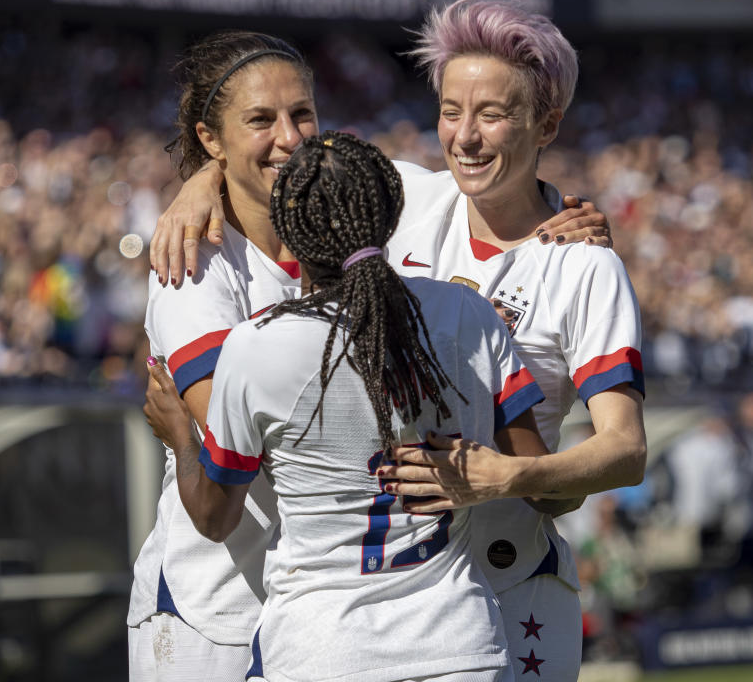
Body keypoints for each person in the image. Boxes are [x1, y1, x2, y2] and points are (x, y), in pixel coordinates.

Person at [146, 0, 642, 681]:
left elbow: (624, 449)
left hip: (506, 577)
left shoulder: (581, 263)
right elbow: (289, 161)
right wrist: (200, 183)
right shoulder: (408, 197)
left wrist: (504, 476)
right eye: (449, 110)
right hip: (403, 595)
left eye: (491, 114)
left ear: (546, 123)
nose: (464, 137)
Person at [144, 131, 558, 681]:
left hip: (321, 650)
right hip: (463, 647)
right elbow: (548, 491)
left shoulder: (256, 346)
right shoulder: (469, 314)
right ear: (390, 220)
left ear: (290, 235)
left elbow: (215, 519)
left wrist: (180, 437)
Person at [127, 31, 318, 680]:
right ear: (212, 138)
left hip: (310, 609)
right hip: (211, 612)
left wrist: (557, 216)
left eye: (302, 114)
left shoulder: (342, 237)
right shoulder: (191, 263)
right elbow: (235, 431)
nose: (290, 137)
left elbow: (472, 194)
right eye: (260, 120)